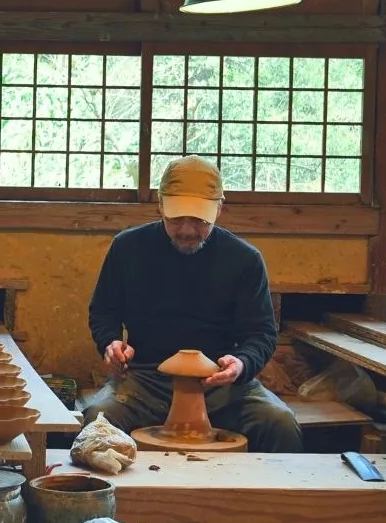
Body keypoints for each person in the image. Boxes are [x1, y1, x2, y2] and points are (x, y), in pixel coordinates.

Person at [82, 155, 302, 452]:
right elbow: (104, 312)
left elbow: (260, 334)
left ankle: (276, 498)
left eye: (199, 220)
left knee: (280, 422)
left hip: (220, 383)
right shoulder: (128, 248)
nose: (187, 230)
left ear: (219, 209)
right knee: (97, 421)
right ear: (160, 205)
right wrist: (110, 344)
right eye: (176, 218)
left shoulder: (244, 260)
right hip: (146, 378)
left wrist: (241, 364)